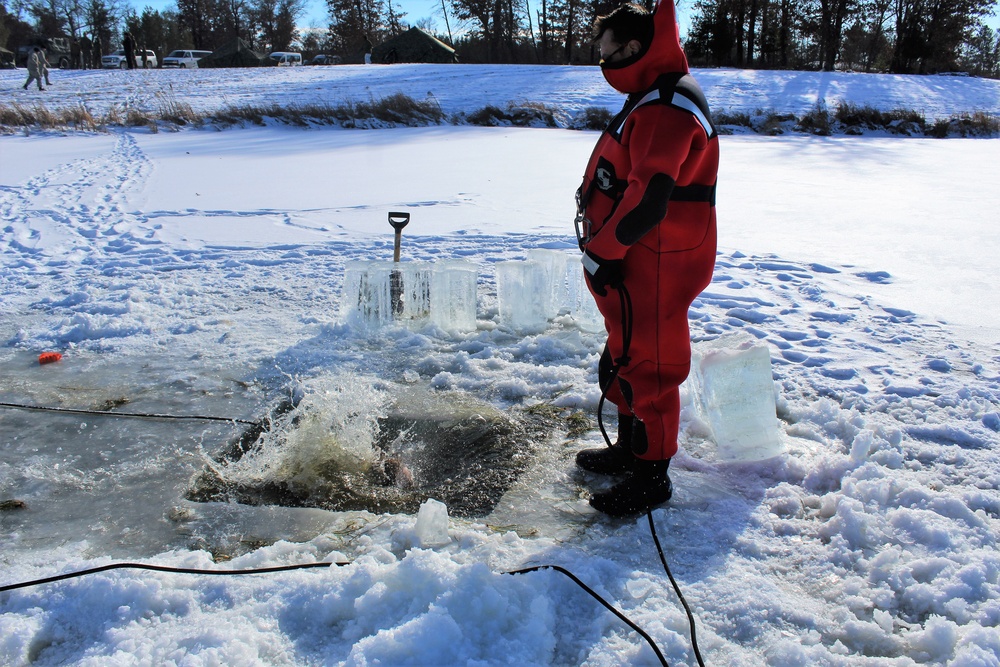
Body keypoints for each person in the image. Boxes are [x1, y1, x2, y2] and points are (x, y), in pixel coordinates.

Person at [573, 0, 719, 516]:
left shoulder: (664, 105)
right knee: (624, 357)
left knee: (650, 366)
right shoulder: (651, 95)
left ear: (634, 48)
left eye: (606, 51)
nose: (602, 60)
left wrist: (604, 252)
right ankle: (631, 450)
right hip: (639, 258)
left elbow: (649, 198)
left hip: (655, 259)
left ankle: (651, 475)